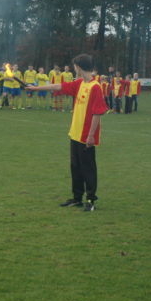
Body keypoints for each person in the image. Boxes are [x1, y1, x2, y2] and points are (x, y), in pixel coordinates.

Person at [26, 54, 108, 212]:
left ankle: (90, 199)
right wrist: (35, 88)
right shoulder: (79, 83)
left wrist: (91, 135)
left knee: (88, 168)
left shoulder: (95, 87)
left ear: (79, 66)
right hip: (75, 134)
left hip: (86, 137)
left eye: (75, 66)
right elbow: (58, 87)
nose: (74, 68)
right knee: (75, 167)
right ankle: (77, 198)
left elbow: (97, 113)